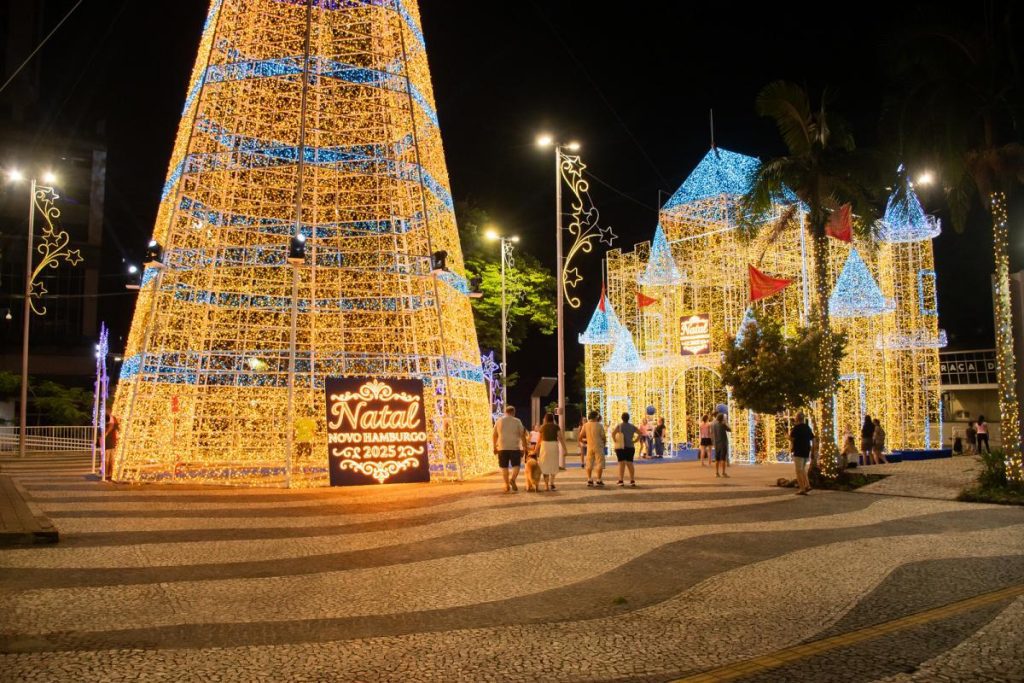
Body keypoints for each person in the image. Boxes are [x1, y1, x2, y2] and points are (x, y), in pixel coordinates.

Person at [493, 406, 528, 493]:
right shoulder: (517, 421)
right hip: (514, 447)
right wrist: (524, 447)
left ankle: (506, 485)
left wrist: (494, 446)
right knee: (516, 465)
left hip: (502, 447)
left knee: (504, 467)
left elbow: (494, 435)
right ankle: (512, 479)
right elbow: (522, 435)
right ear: (513, 412)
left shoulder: (499, 421)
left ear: (506, 412)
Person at [538, 412, 567, 490]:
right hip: (554, 445)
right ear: (553, 418)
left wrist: (535, 449)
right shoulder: (556, 427)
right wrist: (565, 449)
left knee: (544, 465)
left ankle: (546, 485)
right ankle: (552, 483)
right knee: (553, 464)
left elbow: (539, 440)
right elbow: (561, 438)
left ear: (545, 419)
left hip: (544, 446)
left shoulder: (542, 427)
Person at [611, 412, 640, 487]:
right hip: (630, 447)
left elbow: (613, 434)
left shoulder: (619, 426)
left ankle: (621, 480)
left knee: (621, 464)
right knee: (630, 463)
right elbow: (640, 433)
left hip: (621, 447)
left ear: (622, 418)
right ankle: (632, 480)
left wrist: (615, 441)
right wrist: (635, 441)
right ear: (628, 418)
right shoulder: (632, 426)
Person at [790, 412, 814, 494]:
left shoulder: (796, 428)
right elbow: (813, 438)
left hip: (798, 450)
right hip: (806, 450)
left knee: (798, 470)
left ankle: (802, 488)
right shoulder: (807, 427)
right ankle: (807, 485)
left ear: (797, 419)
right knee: (803, 469)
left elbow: (792, 438)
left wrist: (788, 437)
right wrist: (812, 449)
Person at [582, 410, 607, 487]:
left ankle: (589, 479)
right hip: (598, 446)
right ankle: (599, 480)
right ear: (596, 417)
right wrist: (604, 444)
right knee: (600, 463)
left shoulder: (585, 425)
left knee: (589, 463)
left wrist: (585, 442)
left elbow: (580, 436)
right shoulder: (599, 425)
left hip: (589, 446)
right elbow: (603, 437)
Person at [102, 406, 119, 480]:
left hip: (109, 440)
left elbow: (111, 426)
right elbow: (116, 428)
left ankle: (107, 474)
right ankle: (110, 474)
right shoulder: (113, 418)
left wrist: (106, 434)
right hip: (112, 440)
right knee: (111, 457)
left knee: (107, 458)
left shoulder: (110, 418)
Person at [712, 413, 731, 478]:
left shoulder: (714, 425)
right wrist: (726, 423)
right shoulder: (723, 424)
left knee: (717, 459)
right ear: (722, 418)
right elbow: (730, 429)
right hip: (723, 443)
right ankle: (723, 472)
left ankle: (716, 473)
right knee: (723, 458)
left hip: (716, 443)